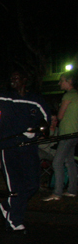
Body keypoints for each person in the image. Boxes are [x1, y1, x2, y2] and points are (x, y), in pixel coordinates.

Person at [0, 71, 50, 230]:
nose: (12, 81)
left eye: (16, 78)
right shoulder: (6, 98)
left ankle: (7, 206)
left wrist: (35, 132)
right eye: (11, 78)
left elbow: (46, 121)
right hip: (9, 148)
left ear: (24, 80)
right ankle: (14, 221)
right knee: (16, 187)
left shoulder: (36, 100)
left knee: (33, 185)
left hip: (29, 148)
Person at [44, 71, 78, 201]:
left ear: (69, 81)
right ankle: (72, 190)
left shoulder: (68, 95)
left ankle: (57, 193)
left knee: (57, 162)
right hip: (74, 133)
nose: (59, 83)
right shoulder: (76, 95)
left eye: (61, 80)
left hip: (67, 134)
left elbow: (60, 116)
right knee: (69, 162)